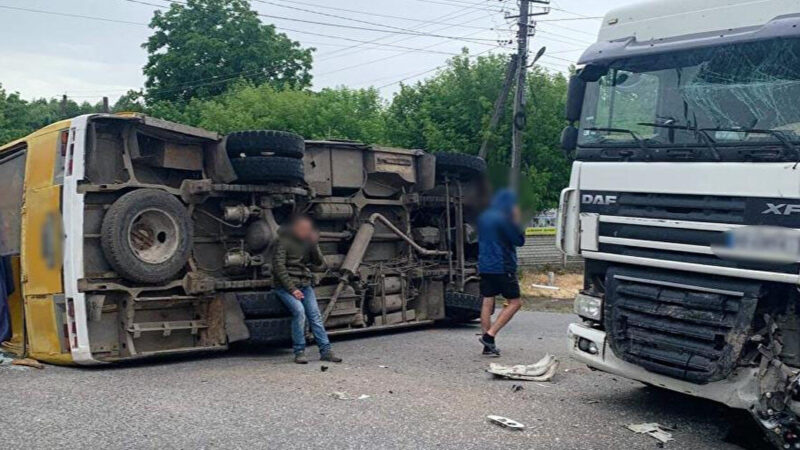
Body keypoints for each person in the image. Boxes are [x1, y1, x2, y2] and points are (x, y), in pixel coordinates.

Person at [272, 215, 342, 364]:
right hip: (285, 287)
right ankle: (299, 352)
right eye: (304, 229)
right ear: (296, 228)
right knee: (299, 312)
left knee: (315, 316)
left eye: (308, 230)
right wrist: (292, 289)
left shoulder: (307, 242)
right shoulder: (283, 241)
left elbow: (318, 263)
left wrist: (314, 244)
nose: (306, 232)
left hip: (304, 284)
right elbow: (279, 267)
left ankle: (326, 351)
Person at [477, 189, 526, 356]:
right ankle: (490, 337)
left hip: (485, 265)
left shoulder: (484, 217)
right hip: (502, 266)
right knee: (515, 302)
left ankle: (486, 345)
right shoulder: (506, 220)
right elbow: (519, 241)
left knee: (487, 301)